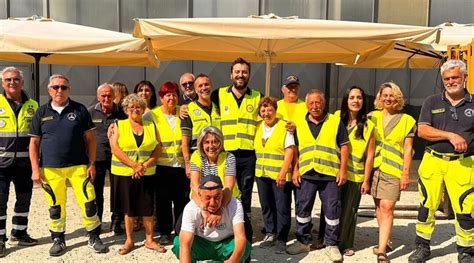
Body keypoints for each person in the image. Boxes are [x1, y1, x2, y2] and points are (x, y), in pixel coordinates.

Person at [29, 74, 107, 256]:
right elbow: (33, 143)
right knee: (55, 206)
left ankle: (93, 236)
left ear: (69, 90)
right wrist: (35, 169)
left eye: (63, 87)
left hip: (79, 166)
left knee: (89, 202)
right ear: (49, 90)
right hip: (50, 168)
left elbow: (90, 140)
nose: (59, 90)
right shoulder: (41, 112)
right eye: (55, 87)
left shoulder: (79, 110)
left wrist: (92, 163)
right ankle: (58, 238)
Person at [408, 60, 473, 263]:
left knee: (465, 208)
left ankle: (466, 250)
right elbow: (423, 130)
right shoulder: (432, 101)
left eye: (455, 77)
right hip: (433, 162)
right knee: (427, 205)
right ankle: (422, 246)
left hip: (464, 163)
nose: (451, 81)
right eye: (447, 78)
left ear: (465, 77)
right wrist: (451, 136)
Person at [286, 89, 349, 262]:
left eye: (318, 102)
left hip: (330, 174)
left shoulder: (335, 121)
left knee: (332, 210)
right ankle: (303, 241)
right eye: (311, 103)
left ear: (324, 103)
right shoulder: (299, 123)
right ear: (306, 104)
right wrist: (296, 170)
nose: (315, 106)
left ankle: (331, 244)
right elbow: (295, 149)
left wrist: (343, 170)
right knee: (303, 209)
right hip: (306, 174)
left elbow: (344, 146)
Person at [317, 86, 376, 257]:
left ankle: (345, 243)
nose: (356, 101)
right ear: (346, 100)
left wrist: (366, 180)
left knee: (349, 210)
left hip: (355, 175)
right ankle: (324, 239)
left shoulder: (369, 125)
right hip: (333, 171)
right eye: (352, 97)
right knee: (329, 207)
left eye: (359, 97)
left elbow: (370, 155)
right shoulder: (335, 118)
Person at [109, 94, 166, 255]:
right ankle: (129, 240)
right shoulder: (118, 125)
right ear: (126, 109)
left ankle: (150, 239)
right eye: (131, 107)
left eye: (139, 106)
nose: (135, 109)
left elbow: (158, 148)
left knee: (147, 207)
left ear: (143, 109)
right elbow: (115, 148)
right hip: (124, 172)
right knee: (129, 208)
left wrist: (144, 165)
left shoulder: (151, 125)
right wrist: (134, 165)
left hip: (147, 172)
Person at [369, 82, 416, 263]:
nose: (388, 98)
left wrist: (406, 173)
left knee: (387, 208)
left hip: (394, 170)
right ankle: (386, 240)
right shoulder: (371, 117)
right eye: (385, 95)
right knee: (379, 208)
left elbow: (408, 149)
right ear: (379, 97)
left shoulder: (407, 120)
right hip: (374, 169)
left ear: (398, 98)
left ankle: (381, 251)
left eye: (392, 95)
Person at [210, 57, 262, 220]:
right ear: (231, 75)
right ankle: (225, 220)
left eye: (244, 72)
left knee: (246, 190)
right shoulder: (218, 94)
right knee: (226, 187)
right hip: (226, 152)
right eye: (237, 72)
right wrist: (184, 106)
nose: (241, 75)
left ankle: (244, 222)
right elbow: (201, 105)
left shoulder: (257, 96)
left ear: (249, 75)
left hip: (248, 153)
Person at [0, 67, 38, 257]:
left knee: (24, 199)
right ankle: (0, 239)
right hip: (1, 165)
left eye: (16, 79)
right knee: (0, 202)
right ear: (2, 83)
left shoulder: (34, 105)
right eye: (8, 80)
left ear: (22, 82)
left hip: (25, 164)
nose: (12, 83)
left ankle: (19, 233)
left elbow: (38, 136)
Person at [172, 175, 251, 263]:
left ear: (222, 194)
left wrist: (233, 261)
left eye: (217, 197)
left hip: (225, 244)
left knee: (244, 246)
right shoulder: (191, 207)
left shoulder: (235, 204)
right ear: (200, 195)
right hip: (202, 245)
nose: (212, 203)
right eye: (208, 198)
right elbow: (185, 244)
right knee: (178, 243)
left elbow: (240, 237)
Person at [148, 81, 189, 245]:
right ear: (161, 97)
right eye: (167, 95)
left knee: (181, 201)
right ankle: (165, 232)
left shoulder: (183, 112)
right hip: (161, 167)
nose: (171, 98)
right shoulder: (152, 115)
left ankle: (179, 231)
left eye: (174, 94)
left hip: (180, 166)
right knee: (163, 201)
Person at [254, 96, 295, 254]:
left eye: (269, 109)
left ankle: (282, 238)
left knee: (282, 206)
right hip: (262, 173)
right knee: (266, 205)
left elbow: (289, 150)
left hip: (279, 174)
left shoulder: (284, 127)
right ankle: (271, 233)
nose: (266, 113)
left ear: (275, 110)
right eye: (263, 110)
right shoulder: (258, 127)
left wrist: (283, 172)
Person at [87, 83, 127, 234]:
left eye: (109, 95)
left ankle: (116, 221)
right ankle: (96, 222)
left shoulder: (122, 114)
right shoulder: (90, 112)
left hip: (117, 159)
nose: (106, 98)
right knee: (96, 192)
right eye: (103, 95)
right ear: (98, 97)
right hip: (96, 159)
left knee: (117, 192)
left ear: (114, 96)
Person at [181, 74, 221, 178]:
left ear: (211, 86)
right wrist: (188, 163)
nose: (204, 88)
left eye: (206, 84)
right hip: (198, 158)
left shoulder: (218, 108)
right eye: (200, 86)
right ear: (195, 89)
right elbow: (185, 142)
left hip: (218, 159)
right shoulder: (189, 110)